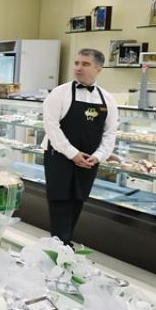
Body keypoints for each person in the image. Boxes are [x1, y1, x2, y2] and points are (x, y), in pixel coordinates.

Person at [41, 48, 118, 247]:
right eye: (77, 63)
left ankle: (64, 246)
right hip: (59, 155)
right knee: (59, 201)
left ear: (99, 69)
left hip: (89, 160)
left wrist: (98, 156)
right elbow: (51, 127)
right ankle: (60, 246)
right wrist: (73, 154)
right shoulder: (60, 93)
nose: (78, 68)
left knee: (77, 200)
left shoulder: (108, 99)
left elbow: (110, 133)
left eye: (85, 64)